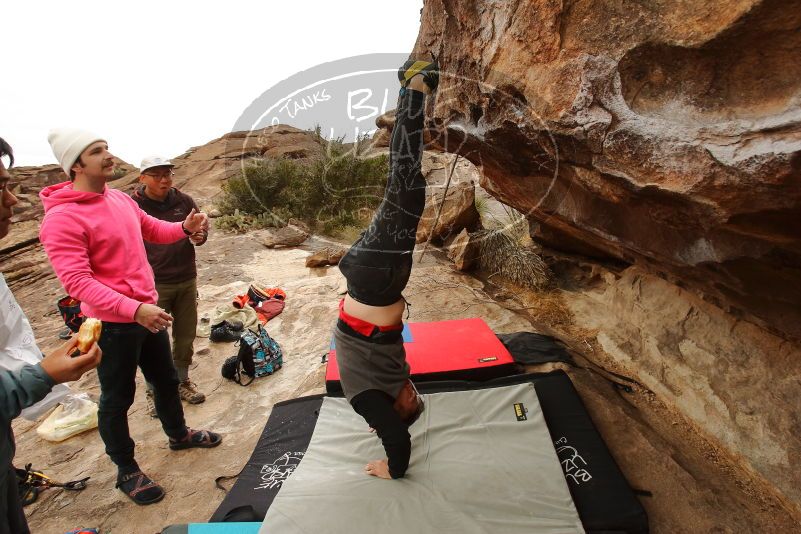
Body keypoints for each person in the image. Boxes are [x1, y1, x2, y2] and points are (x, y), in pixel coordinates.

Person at [38, 130, 222, 505]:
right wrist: (134, 308)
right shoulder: (61, 218)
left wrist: (184, 228)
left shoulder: (119, 199)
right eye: (96, 151)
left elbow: (154, 229)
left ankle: (179, 435)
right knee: (117, 398)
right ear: (76, 164)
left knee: (167, 380)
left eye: (105, 147)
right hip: (113, 325)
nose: (108, 155)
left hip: (146, 314)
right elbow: (77, 282)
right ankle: (126, 470)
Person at [334, 58, 438, 480]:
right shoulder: (396, 383)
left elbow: (397, 441)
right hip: (382, 280)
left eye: (413, 403)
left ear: (399, 409)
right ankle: (411, 92)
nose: (415, 395)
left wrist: (391, 470)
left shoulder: (369, 401)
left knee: (406, 184)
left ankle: (414, 89)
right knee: (408, 186)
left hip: (372, 279)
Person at [0, 136, 102, 533]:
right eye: (1, 188)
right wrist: (42, 376)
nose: (14, 201)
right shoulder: (61, 219)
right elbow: (75, 277)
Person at [132, 156, 207, 416]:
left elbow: (200, 231)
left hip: (186, 277)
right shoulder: (133, 206)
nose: (164, 179)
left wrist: (199, 235)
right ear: (142, 178)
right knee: (153, 341)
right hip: (153, 284)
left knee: (185, 335)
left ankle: (182, 381)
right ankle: (154, 391)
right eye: (156, 175)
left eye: (168, 173)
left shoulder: (184, 201)